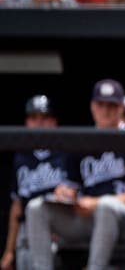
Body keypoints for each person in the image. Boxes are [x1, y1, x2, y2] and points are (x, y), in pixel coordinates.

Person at [26, 79, 125, 270]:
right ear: (92, 107)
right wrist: (64, 193)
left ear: (121, 108)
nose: (105, 110)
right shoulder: (82, 141)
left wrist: (97, 202)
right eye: (100, 104)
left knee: (106, 205)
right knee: (36, 207)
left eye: (111, 105)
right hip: (87, 217)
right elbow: (71, 186)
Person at [1, 95, 70, 270]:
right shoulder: (21, 158)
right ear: (27, 123)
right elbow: (16, 206)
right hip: (26, 232)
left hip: (58, 229)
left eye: (44, 118)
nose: (39, 123)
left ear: (54, 122)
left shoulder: (67, 153)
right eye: (34, 118)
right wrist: (9, 251)